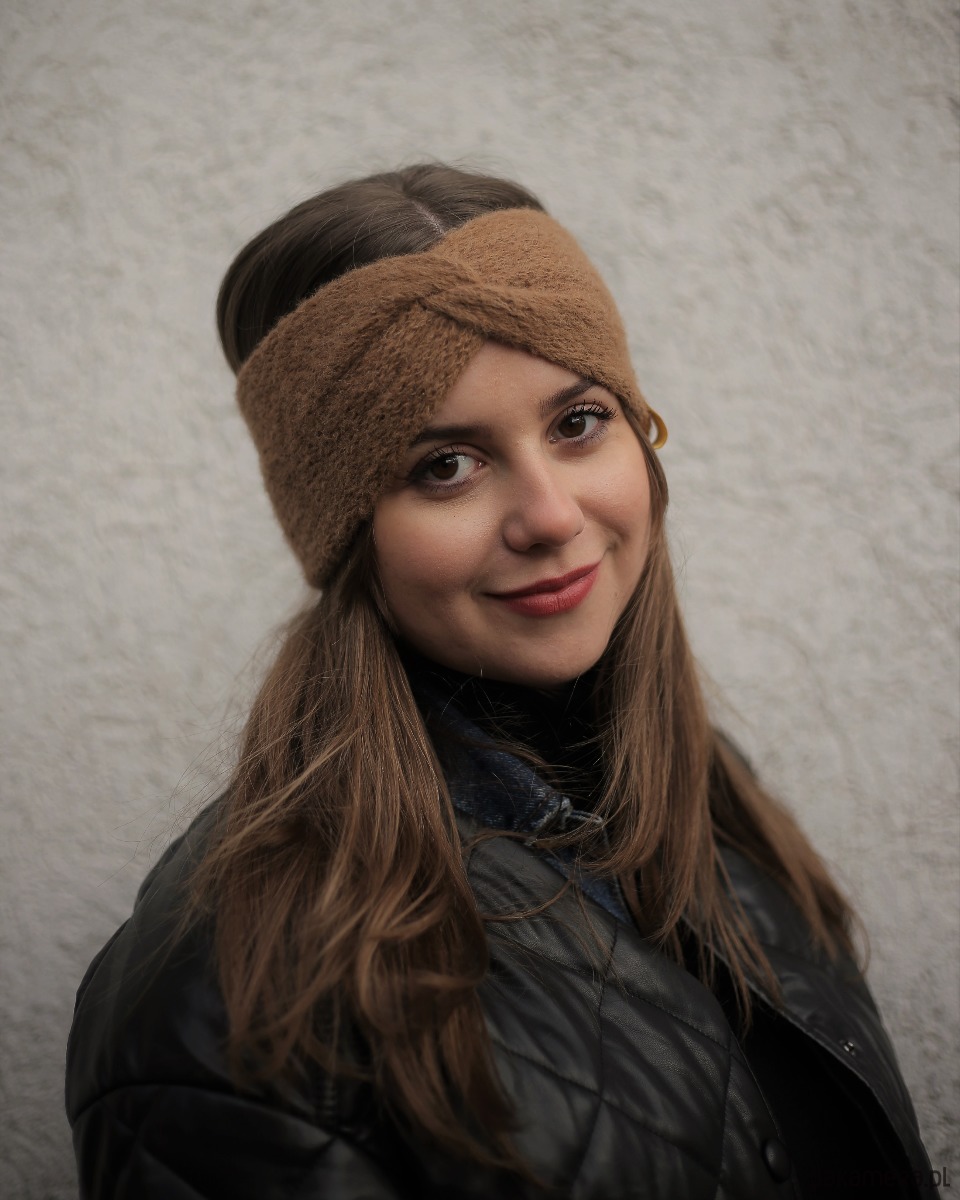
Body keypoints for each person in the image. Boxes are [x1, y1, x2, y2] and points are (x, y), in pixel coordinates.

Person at [65, 164, 938, 1199]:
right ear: (344, 531)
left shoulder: (709, 792)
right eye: (446, 465)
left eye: (578, 422)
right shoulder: (227, 997)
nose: (552, 515)